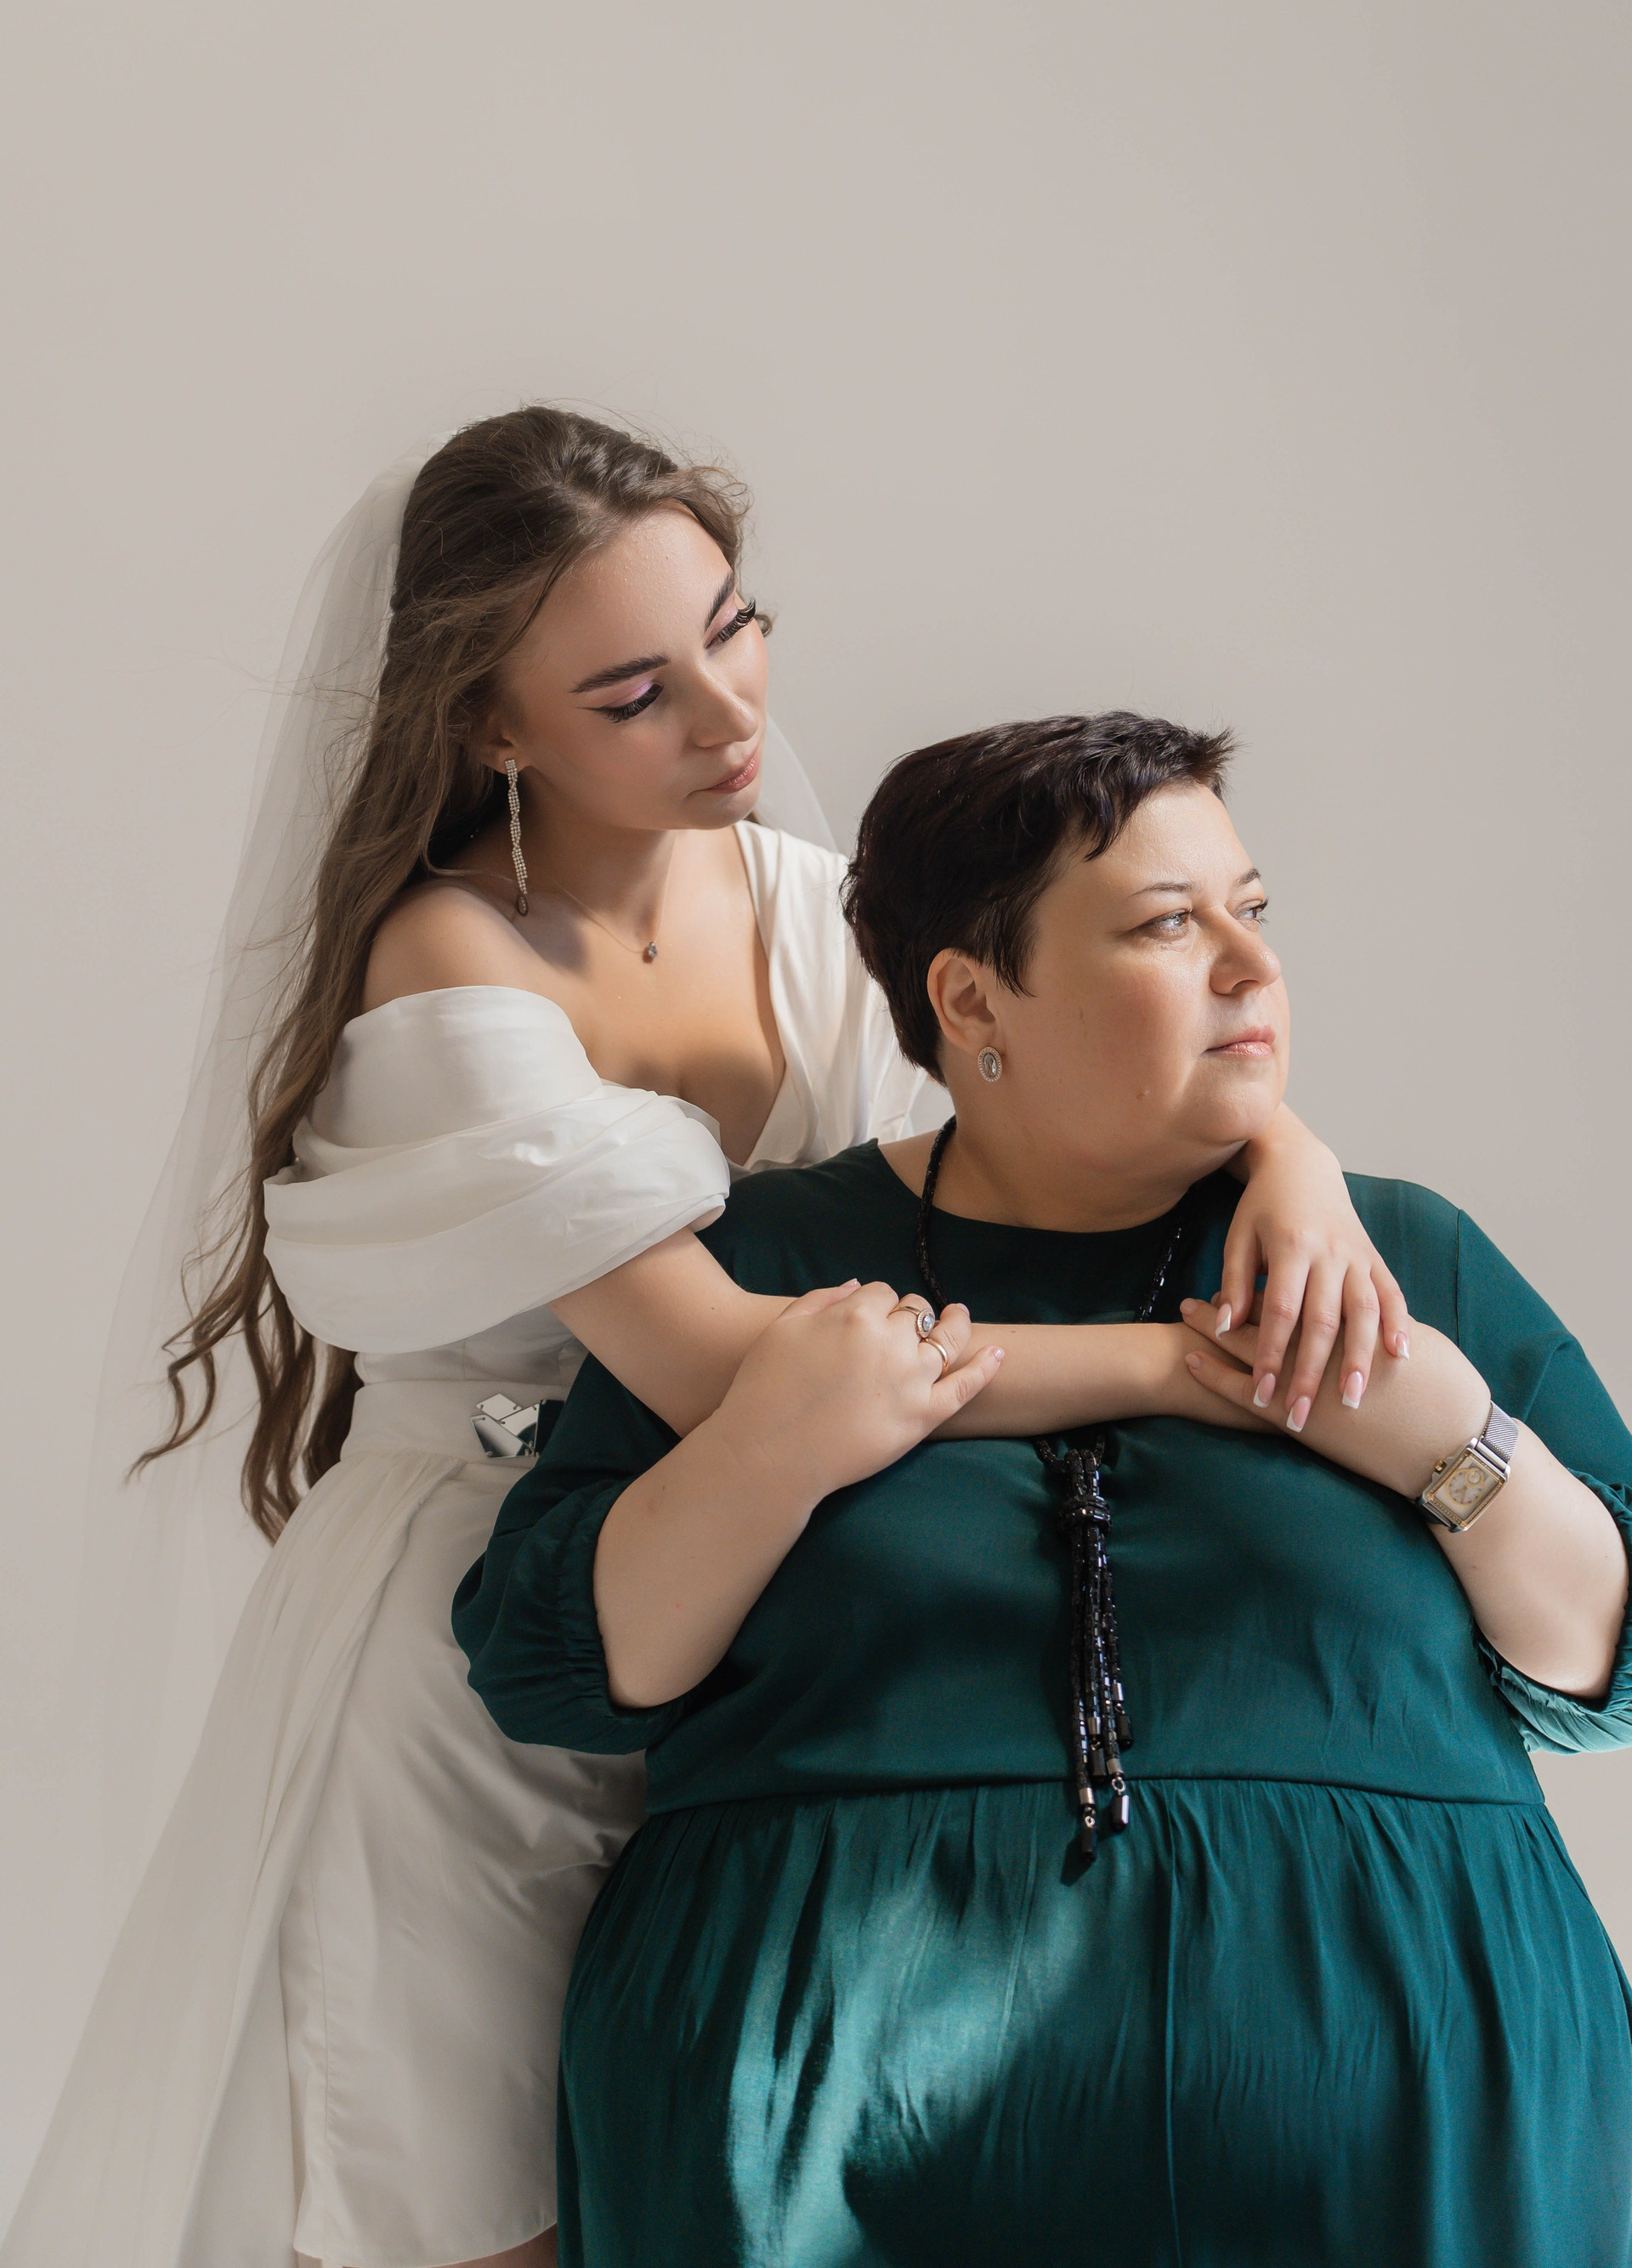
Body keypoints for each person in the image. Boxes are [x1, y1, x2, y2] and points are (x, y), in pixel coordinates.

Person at [3, 414, 1397, 2268]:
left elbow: (1059, 1086)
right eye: (635, 692)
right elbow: (730, 1370)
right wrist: (1176, 1367)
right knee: (478, 2218)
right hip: (480, 1664)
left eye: (735, 627)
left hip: (764, 1640)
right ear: (493, 727)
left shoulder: (813, 908)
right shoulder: (449, 963)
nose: (731, 712)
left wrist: (1294, 1160)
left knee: (709, 2194)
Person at [456, 710, 1632, 2268]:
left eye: (1252, 908)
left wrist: (1453, 1438)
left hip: (1407, 2128)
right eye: (1167, 924)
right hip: (829, 2128)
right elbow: (557, 1665)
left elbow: (1607, 1667)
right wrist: (773, 1446)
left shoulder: (1399, 1259)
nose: (1252, 964)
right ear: (969, 997)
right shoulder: (762, 1264)